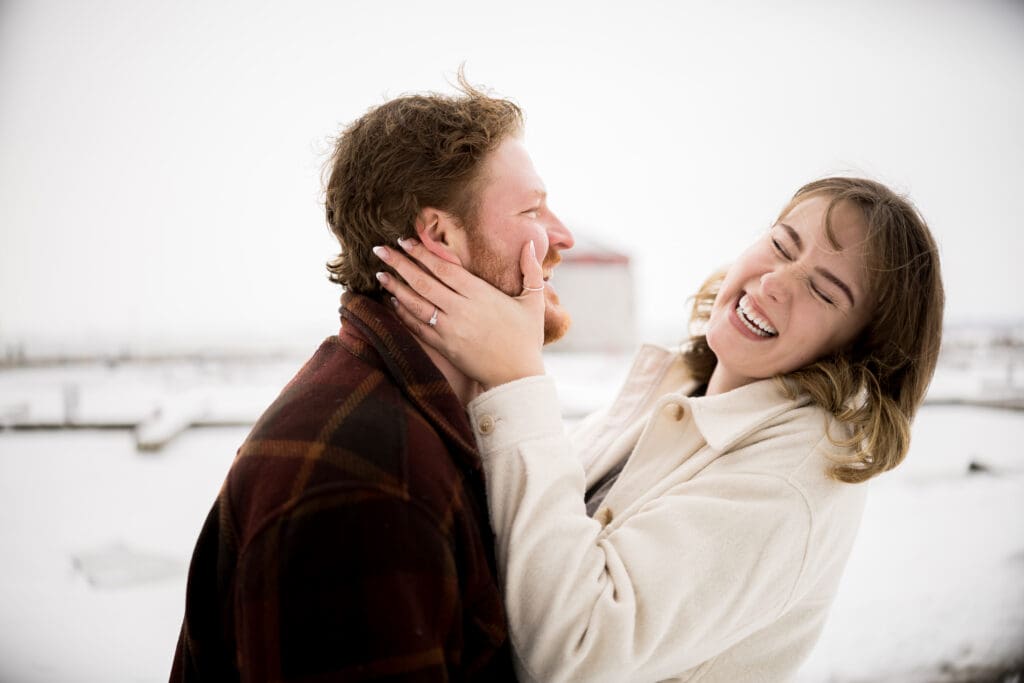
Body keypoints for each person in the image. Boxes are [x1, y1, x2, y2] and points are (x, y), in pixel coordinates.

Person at [375, 176, 945, 682]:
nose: (776, 282)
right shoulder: (681, 389)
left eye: (824, 290)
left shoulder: (794, 481)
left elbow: (572, 651)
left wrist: (515, 378)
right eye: (781, 245)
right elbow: (536, 521)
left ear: (862, 350)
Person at [170, 75, 574, 682]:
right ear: (440, 236)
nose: (563, 236)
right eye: (532, 209)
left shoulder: (408, 420)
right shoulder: (370, 474)